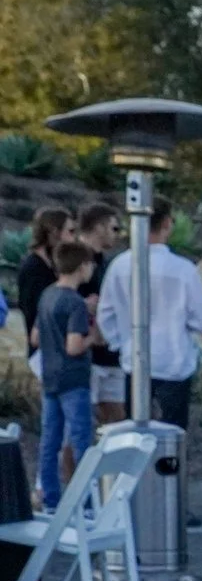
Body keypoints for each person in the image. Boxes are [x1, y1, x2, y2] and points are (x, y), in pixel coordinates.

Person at [96, 198, 202, 429]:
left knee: (135, 433)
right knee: (173, 435)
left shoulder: (120, 265)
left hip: (135, 359)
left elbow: (105, 313)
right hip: (174, 361)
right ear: (167, 224)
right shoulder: (183, 270)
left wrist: (120, 342)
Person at [34, 241, 97, 510]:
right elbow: (74, 346)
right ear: (82, 266)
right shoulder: (75, 303)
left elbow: (35, 337)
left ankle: (50, 498)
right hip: (73, 379)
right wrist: (92, 337)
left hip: (50, 377)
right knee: (82, 440)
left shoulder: (47, 295)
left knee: (50, 440)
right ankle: (87, 502)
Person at [73, 204, 125, 426]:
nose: (118, 234)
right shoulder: (74, 258)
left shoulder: (105, 263)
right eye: (114, 228)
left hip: (108, 351)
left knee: (117, 418)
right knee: (79, 422)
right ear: (99, 227)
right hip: (85, 349)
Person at [15, 205, 68, 364]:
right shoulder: (34, 268)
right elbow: (34, 309)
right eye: (70, 231)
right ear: (54, 232)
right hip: (44, 350)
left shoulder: (51, 265)